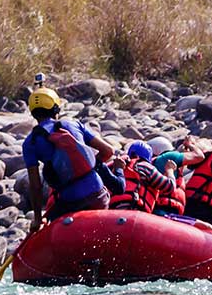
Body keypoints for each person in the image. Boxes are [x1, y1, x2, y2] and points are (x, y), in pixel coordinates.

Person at [23, 85, 115, 232]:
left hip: (70, 201)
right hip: (97, 194)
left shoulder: (31, 142)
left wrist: (38, 220)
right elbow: (108, 151)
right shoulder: (73, 124)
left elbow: (35, 186)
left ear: (33, 113)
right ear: (55, 109)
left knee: (51, 224)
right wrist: (87, 166)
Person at [109, 141, 176, 213]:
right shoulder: (146, 166)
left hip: (114, 211)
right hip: (135, 210)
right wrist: (170, 170)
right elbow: (170, 187)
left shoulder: (117, 168)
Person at [149, 136, 206, 216]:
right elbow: (199, 156)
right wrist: (190, 144)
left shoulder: (150, 165)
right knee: (206, 227)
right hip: (165, 211)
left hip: (158, 209)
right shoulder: (168, 157)